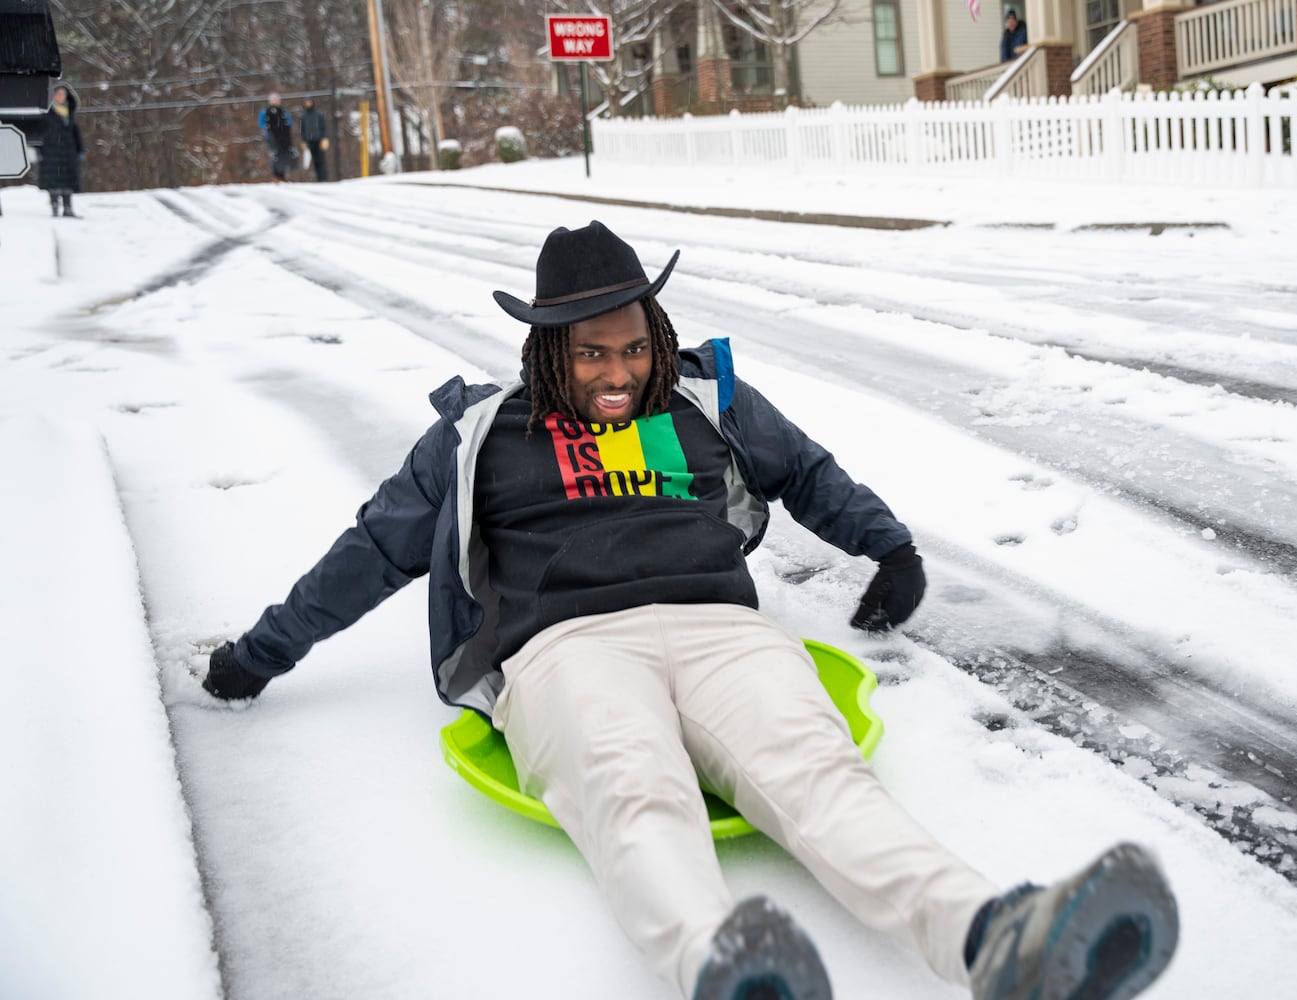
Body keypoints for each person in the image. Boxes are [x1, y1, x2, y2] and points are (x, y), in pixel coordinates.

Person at [200, 221, 1179, 1000]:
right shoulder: (479, 434)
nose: (619, 372)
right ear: (548, 351)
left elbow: (808, 473)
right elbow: (373, 550)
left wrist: (890, 546)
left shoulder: (704, 401)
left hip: (722, 632)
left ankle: (994, 936)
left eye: (633, 347)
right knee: (634, 789)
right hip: (566, 650)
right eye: (592, 355)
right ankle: (729, 967)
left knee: (820, 773)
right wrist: (261, 652)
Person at [38, 84, 83, 218]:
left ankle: (68, 208)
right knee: (54, 183)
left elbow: (76, 134)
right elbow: (39, 133)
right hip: (50, 153)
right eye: (58, 94)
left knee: (68, 183)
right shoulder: (46, 114)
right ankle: (55, 207)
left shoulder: (69, 113)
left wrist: (80, 150)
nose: (60, 97)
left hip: (68, 153)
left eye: (63, 94)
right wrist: (38, 150)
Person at [258, 92, 296, 182]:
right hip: (271, 136)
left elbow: (289, 122)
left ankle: (282, 174)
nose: (275, 101)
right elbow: (261, 124)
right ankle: (275, 175)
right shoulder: (265, 111)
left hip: (282, 137)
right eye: (273, 100)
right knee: (274, 155)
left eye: (276, 99)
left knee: (284, 155)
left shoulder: (283, 111)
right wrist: (268, 131)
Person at [299, 96, 330, 182]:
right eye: (306, 102)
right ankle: (317, 178)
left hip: (319, 140)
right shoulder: (303, 116)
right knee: (312, 161)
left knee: (321, 160)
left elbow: (324, 126)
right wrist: (303, 140)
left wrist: (324, 138)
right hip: (309, 140)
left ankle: (323, 178)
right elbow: (302, 129)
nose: (308, 104)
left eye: (309, 102)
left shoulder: (319, 114)